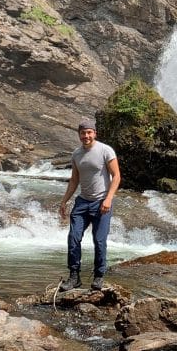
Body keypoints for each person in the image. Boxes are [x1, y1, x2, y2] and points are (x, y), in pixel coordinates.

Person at [59, 118, 121, 290]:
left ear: (94, 133)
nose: (86, 136)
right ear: (79, 135)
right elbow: (74, 180)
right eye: (83, 133)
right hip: (82, 203)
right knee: (73, 238)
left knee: (99, 241)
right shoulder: (76, 154)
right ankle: (74, 277)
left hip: (102, 202)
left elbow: (116, 176)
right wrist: (64, 201)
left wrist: (108, 199)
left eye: (89, 132)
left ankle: (99, 276)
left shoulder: (105, 150)